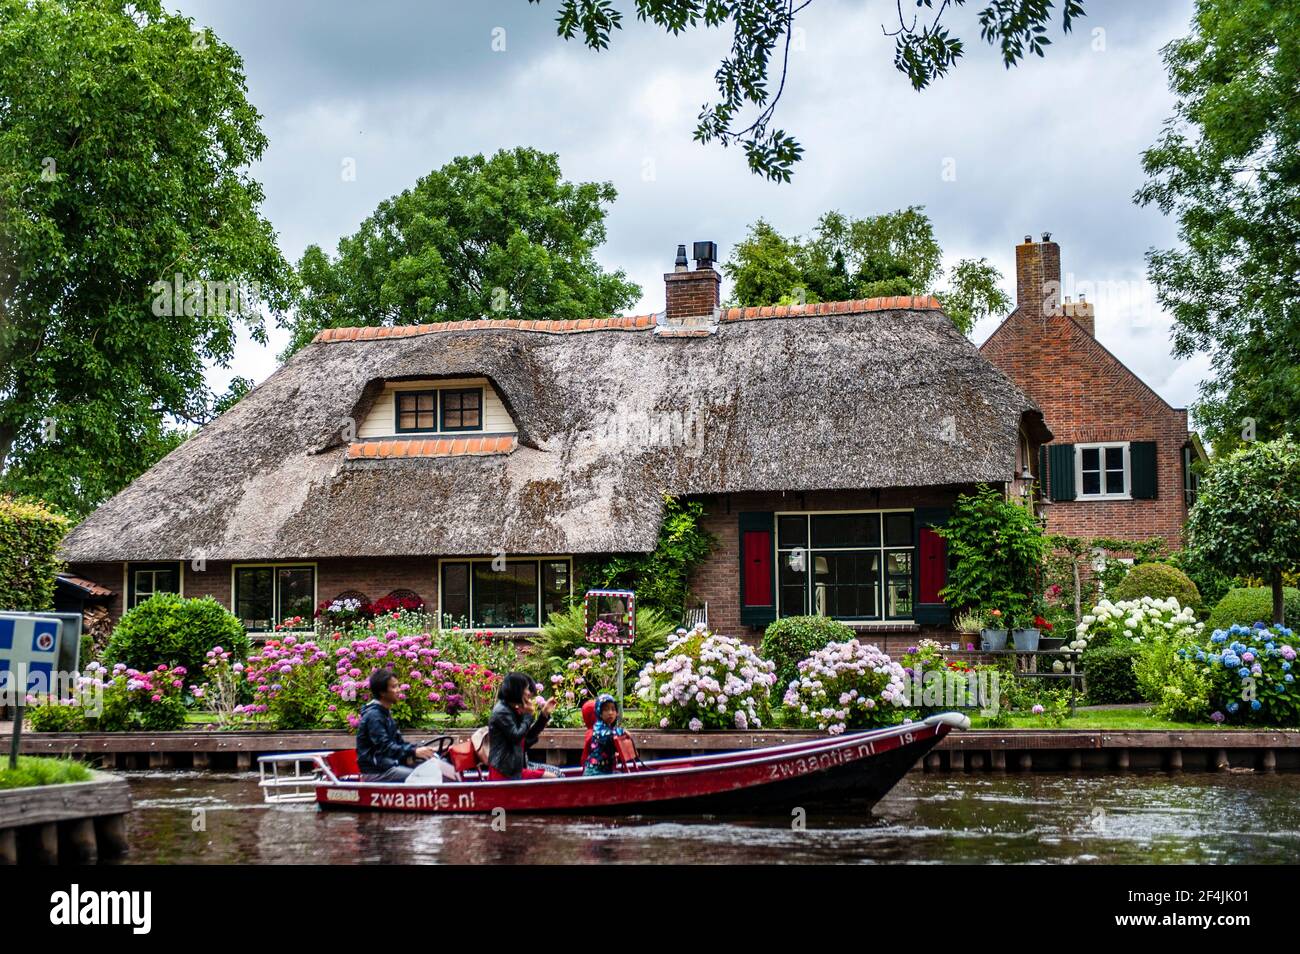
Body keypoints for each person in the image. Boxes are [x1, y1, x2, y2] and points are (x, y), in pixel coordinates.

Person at [356, 668, 435, 782]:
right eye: (394, 687)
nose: (398, 690)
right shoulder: (374, 716)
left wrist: (418, 750)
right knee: (424, 776)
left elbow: (398, 743)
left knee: (431, 768)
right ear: (382, 692)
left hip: (388, 765)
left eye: (398, 686)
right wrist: (414, 752)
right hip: (377, 771)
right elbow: (385, 747)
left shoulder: (384, 713)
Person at [487, 672, 558, 781]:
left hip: (514, 769)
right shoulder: (502, 712)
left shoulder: (512, 709)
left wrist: (543, 716)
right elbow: (517, 737)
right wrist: (528, 715)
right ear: (517, 690)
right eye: (526, 689)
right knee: (554, 776)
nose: (529, 693)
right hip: (505, 772)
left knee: (557, 773)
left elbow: (527, 739)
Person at [582, 693, 627, 776]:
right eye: (606, 710)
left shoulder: (609, 728)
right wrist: (622, 731)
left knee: (620, 775)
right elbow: (606, 735)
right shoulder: (598, 728)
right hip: (595, 772)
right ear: (599, 712)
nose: (610, 713)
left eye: (613, 709)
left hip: (606, 770)